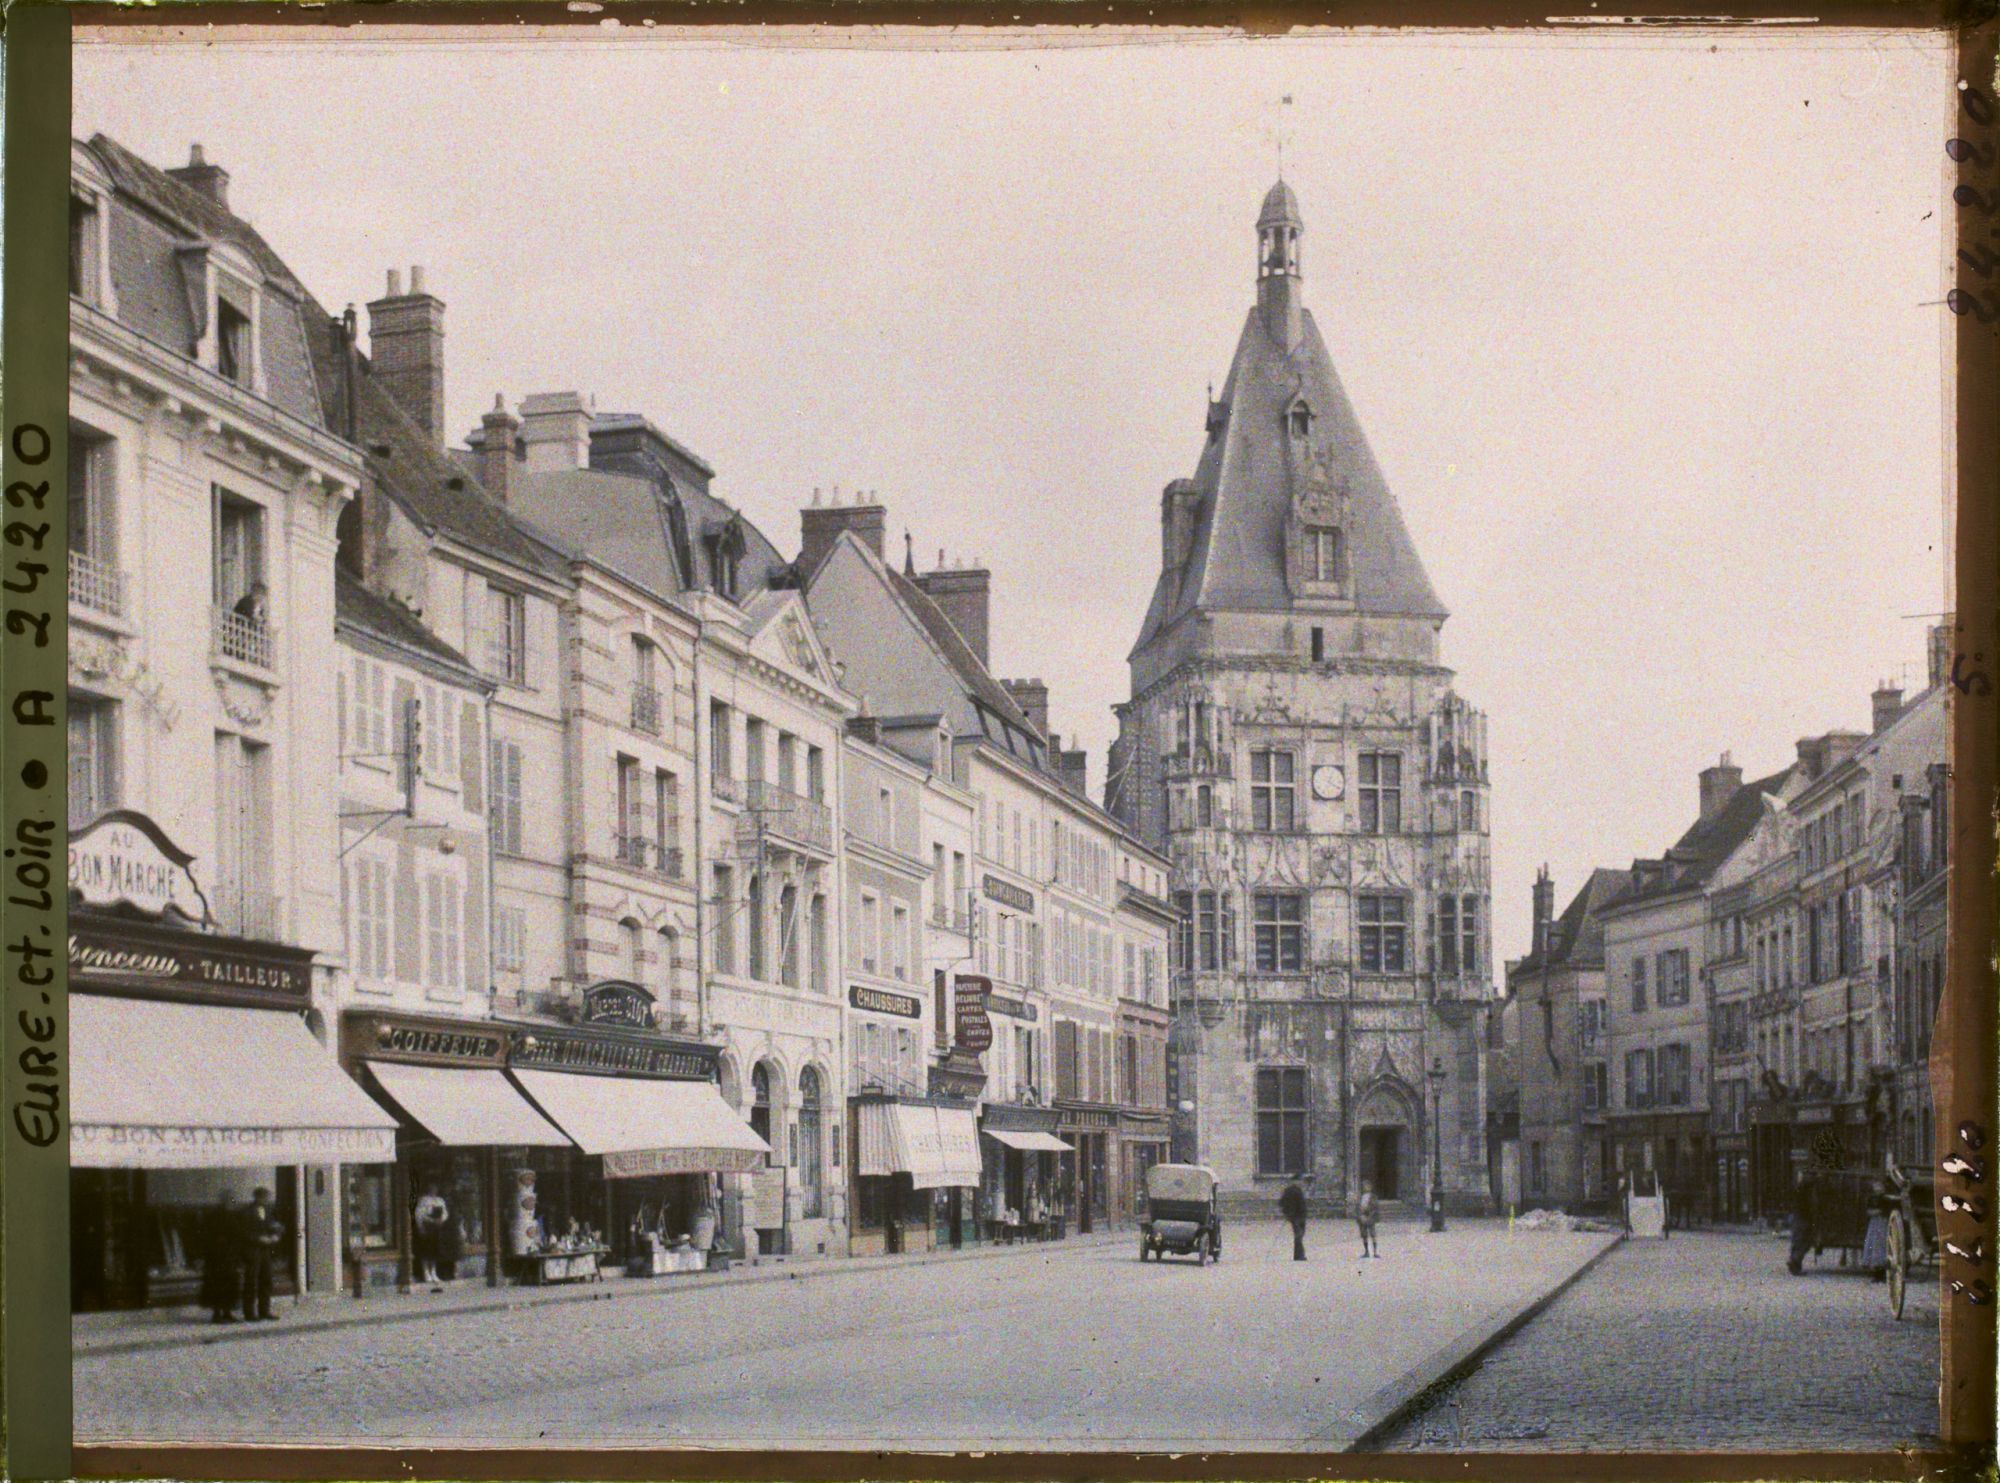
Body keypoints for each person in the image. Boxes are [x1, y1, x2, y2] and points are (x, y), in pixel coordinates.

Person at [239, 1187, 283, 1321]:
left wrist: (276, 1234)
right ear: (257, 1197)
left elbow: (272, 1225)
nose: (267, 1200)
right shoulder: (246, 1212)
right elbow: (243, 1232)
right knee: (251, 1281)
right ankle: (249, 1313)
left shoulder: (268, 1210)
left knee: (266, 1279)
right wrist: (258, 1238)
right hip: (252, 1250)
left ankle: (264, 1310)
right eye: (264, 1197)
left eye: (268, 1198)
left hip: (265, 1251)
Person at [199, 1189, 242, 1324]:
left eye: (233, 1199)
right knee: (218, 1284)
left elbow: (238, 1235)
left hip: (231, 1256)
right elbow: (208, 1236)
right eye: (230, 1199)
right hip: (217, 1257)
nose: (232, 1202)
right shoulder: (214, 1216)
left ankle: (227, 1312)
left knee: (230, 1283)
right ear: (224, 1201)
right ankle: (217, 1313)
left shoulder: (234, 1216)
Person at [413, 1185, 448, 1288]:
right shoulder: (424, 1200)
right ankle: (426, 1272)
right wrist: (421, 1227)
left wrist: (441, 1219)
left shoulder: (439, 1200)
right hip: (427, 1226)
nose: (434, 1190)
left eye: (435, 1188)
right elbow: (419, 1214)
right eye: (432, 1188)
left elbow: (445, 1213)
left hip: (437, 1227)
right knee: (426, 1250)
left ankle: (433, 1272)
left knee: (435, 1250)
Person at [1787, 1170, 1817, 1276]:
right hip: (1804, 1218)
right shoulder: (1805, 1190)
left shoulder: (1798, 1189)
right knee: (1805, 1241)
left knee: (1798, 1241)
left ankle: (1795, 1263)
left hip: (1798, 1217)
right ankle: (1795, 1262)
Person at [1279, 1178, 1308, 1262]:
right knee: (1298, 1235)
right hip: (1296, 1216)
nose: (1301, 1183)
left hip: (1301, 1216)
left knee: (1300, 1234)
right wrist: (1288, 1213)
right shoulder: (1290, 1191)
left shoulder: (1298, 1190)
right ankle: (1299, 1255)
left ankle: (1298, 1255)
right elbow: (1282, 1203)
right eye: (1299, 1181)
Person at [1356, 1178, 1380, 1259]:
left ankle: (1375, 1252)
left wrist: (1369, 1216)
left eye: (1366, 1186)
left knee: (1373, 1235)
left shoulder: (1373, 1197)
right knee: (1364, 1235)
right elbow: (1357, 1207)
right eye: (1363, 1186)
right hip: (1362, 1218)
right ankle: (1366, 1252)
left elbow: (1375, 1208)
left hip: (1370, 1218)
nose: (1365, 1188)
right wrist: (1360, 1216)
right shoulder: (1360, 1197)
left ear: (1370, 1187)